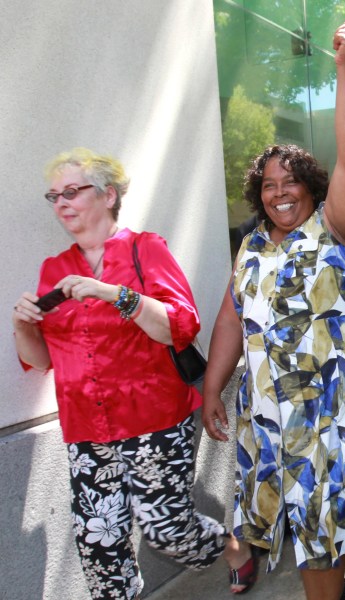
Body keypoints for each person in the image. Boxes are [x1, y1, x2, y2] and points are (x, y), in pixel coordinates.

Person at [201, 22, 345, 600]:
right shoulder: (252, 247)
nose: (280, 192)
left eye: (291, 181)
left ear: (310, 185)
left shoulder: (335, 230)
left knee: (318, 529)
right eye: (268, 184)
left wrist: (344, 69)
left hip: (334, 407)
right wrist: (212, 388)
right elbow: (233, 317)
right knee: (301, 521)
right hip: (269, 413)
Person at [12, 147, 230, 600]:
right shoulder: (55, 269)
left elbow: (179, 327)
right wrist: (21, 326)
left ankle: (230, 546)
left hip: (153, 420)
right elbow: (40, 359)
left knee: (167, 532)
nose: (62, 204)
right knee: (100, 547)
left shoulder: (144, 249)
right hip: (86, 432)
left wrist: (112, 294)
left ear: (108, 195)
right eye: (54, 196)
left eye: (72, 191)